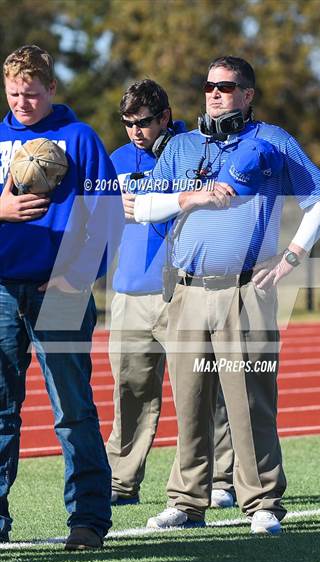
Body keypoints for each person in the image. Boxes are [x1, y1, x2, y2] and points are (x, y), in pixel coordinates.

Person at [134, 55, 320, 535]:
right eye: (208, 86)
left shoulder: (273, 140)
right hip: (186, 290)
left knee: (249, 402)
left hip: (245, 290)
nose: (214, 94)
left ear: (247, 94)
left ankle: (262, 502)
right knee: (190, 401)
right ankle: (187, 503)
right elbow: (142, 206)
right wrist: (192, 198)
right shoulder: (182, 146)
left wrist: (291, 257)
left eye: (225, 87)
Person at [0, 45, 123, 549]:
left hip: (64, 290)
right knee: (1, 411)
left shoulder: (81, 139)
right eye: (13, 94)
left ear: (51, 89)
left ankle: (89, 521)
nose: (22, 103)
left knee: (72, 409)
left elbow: (109, 216)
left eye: (31, 93)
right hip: (3, 289)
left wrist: (78, 276)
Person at [107, 80, 236, 510]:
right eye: (127, 123)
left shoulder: (196, 149)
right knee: (130, 389)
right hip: (131, 292)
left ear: (165, 115)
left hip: (186, 286)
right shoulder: (117, 161)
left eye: (142, 122)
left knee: (202, 387)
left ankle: (220, 477)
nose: (134, 132)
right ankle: (121, 481)